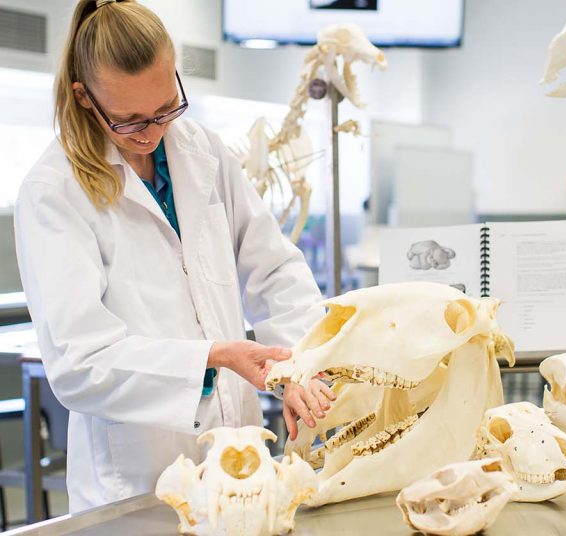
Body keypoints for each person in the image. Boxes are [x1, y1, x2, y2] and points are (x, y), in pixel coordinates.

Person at [15, 0, 334, 512]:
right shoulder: (55, 192)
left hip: (240, 455)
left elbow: (274, 269)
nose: (152, 133)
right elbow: (79, 362)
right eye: (129, 120)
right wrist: (211, 357)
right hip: (137, 478)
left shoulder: (201, 150)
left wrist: (300, 366)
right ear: (83, 97)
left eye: (166, 109)